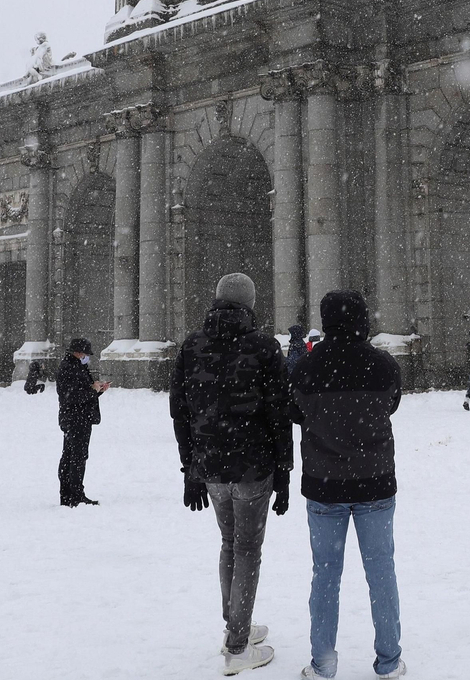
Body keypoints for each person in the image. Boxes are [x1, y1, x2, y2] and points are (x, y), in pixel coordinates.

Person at [170, 272, 292, 675]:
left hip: (211, 468)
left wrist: (190, 467)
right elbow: (279, 414)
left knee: (229, 544)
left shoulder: (192, 345)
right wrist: (286, 471)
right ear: (250, 304)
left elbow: (180, 412)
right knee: (247, 550)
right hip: (253, 467)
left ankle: (235, 625)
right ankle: (238, 648)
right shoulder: (264, 346)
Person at [288, 291, 406, 680]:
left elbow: (295, 412)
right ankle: (389, 661)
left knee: (325, 574)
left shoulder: (307, 366)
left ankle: (323, 662)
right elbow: (390, 404)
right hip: (374, 483)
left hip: (324, 485)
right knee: (381, 572)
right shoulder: (383, 363)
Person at [55, 337, 108, 506]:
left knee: (72, 456)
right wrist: (92, 389)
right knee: (75, 457)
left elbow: (82, 394)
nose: (87, 357)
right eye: (85, 354)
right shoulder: (69, 368)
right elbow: (70, 396)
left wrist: (98, 390)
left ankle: (71, 494)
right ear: (78, 353)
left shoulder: (77, 366)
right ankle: (74, 495)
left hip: (78, 417)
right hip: (76, 418)